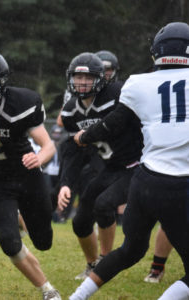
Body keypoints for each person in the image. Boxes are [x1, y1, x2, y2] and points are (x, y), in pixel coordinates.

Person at [69, 22, 189, 300]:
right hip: (181, 184)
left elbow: (113, 124)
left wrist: (84, 137)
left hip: (145, 181)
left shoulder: (138, 83)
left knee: (130, 250)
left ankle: (77, 297)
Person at [0, 51, 60, 300]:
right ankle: (47, 289)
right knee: (8, 239)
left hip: (26, 174)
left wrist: (39, 158)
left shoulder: (22, 102)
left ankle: (19, 216)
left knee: (43, 242)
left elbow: (48, 145)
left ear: (1, 83)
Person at [57, 52, 137, 281]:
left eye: (88, 77)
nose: (82, 83)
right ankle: (93, 265)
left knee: (104, 205)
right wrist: (65, 184)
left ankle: (105, 263)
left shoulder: (116, 95)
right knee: (80, 221)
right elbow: (73, 151)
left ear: (100, 79)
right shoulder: (71, 110)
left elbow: (115, 123)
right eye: (78, 77)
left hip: (135, 164)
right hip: (110, 167)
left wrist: (88, 134)